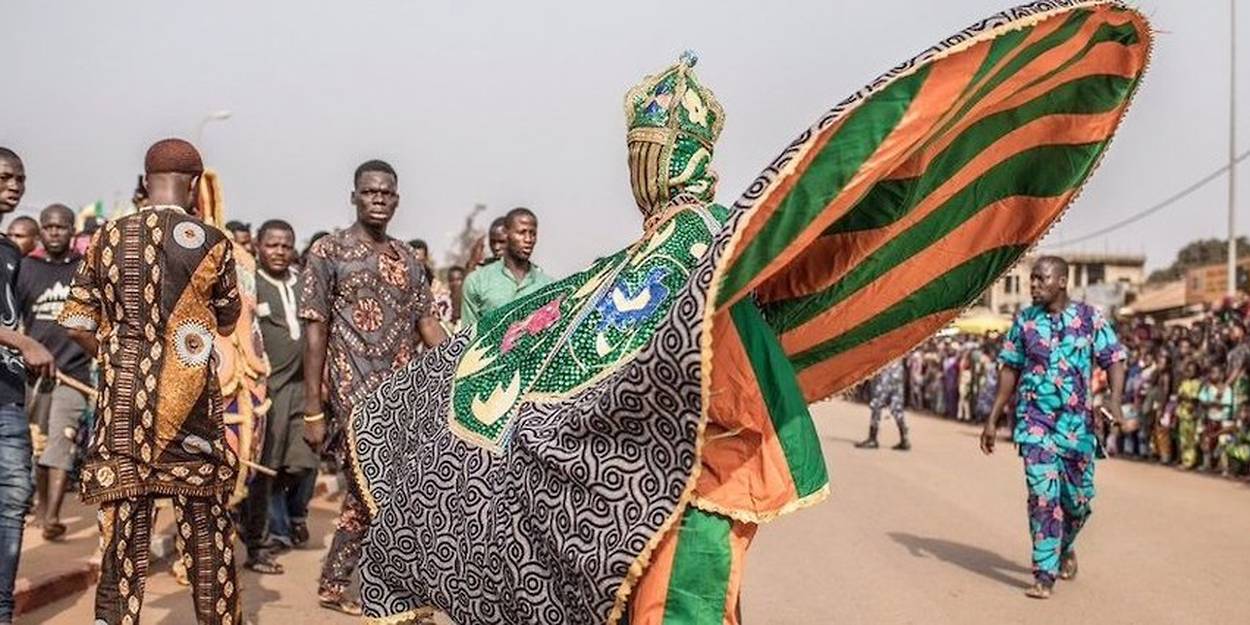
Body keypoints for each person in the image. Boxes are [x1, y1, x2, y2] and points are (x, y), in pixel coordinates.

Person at [347, 6, 1151, 620]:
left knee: (684, 607)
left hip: (694, 485)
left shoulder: (688, 255)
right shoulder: (695, 249)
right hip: (689, 483)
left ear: (649, 163)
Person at [60, 138, 243, 625]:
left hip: (124, 411)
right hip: (192, 412)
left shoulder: (109, 236)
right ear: (195, 185)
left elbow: (77, 322)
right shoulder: (214, 242)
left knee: (121, 529)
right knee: (206, 530)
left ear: (146, 181)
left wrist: (119, 359)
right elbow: (226, 322)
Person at [299, 159, 447, 615]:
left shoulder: (407, 258)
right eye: (369, 192)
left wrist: (463, 362)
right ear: (354, 197)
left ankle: (337, 581)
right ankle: (386, 586)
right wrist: (313, 408)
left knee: (384, 490)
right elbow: (315, 331)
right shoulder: (328, 253)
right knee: (372, 488)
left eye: (386, 194)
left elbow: (428, 324)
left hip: (404, 394)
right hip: (353, 395)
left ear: (397, 200)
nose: (378, 200)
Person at [981, 256, 1127, 600]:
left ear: (1061, 281)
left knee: (1077, 502)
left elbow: (1114, 358)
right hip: (1034, 423)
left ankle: (1065, 546)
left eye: (1039, 279)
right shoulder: (1025, 321)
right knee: (1043, 497)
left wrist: (1116, 398)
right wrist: (993, 416)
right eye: (1031, 279)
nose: (1033, 285)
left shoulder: (1090, 319)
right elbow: (1010, 368)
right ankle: (1043, 573)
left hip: (1077, 427)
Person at [0, 148, 56, 625]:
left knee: (15, 497)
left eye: (20, 177)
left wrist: (28, 355)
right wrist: (23, 342)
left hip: (8, 395)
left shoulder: (9, 253)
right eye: (4, 177)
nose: (14, 185)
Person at [19, 203, 92, 541]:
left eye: (61, 227)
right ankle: (41, 505)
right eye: (48, 227)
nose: (54, 233)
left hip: (72, 376)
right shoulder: (27, 269)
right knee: (40, 445)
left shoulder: (84, 270)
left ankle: (52, 517)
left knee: (61, 443)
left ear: (72, 231)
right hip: (34, 377)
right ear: (41, 230)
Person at [248, 220, 318, 558]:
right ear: (259, 246)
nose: (279, 252)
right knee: (265, 468)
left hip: (302, 388)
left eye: (286, 246)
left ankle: (292, 517)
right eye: (272, 245)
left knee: (304, 462)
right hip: (266, 391)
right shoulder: (250, 286)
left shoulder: (304, 283)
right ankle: (261, 541)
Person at [459, 207, 552, 325]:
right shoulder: (478, 281)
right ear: (506, 234)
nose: (528, 239)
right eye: (521, 233)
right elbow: (468, 335)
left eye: (532, 234)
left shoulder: (548, 286)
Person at [856, 359, 909, 450]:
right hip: (897, 370)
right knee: (897, 405)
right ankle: (904, 438)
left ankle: (873, 438)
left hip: (886, 369)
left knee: (877, 403)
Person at [1175, 361, 1204, 469]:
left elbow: (1196, 399)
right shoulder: (1184, 382)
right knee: (1183, 438)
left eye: (1192, 370)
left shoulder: (1198, 383)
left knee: (1191, 439)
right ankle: (1184, 459)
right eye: (1188, 370)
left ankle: (1190, 462)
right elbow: (1179, 395)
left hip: (1192, 415)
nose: (1189, 372)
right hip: (1182, 413)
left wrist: (1185, 397)